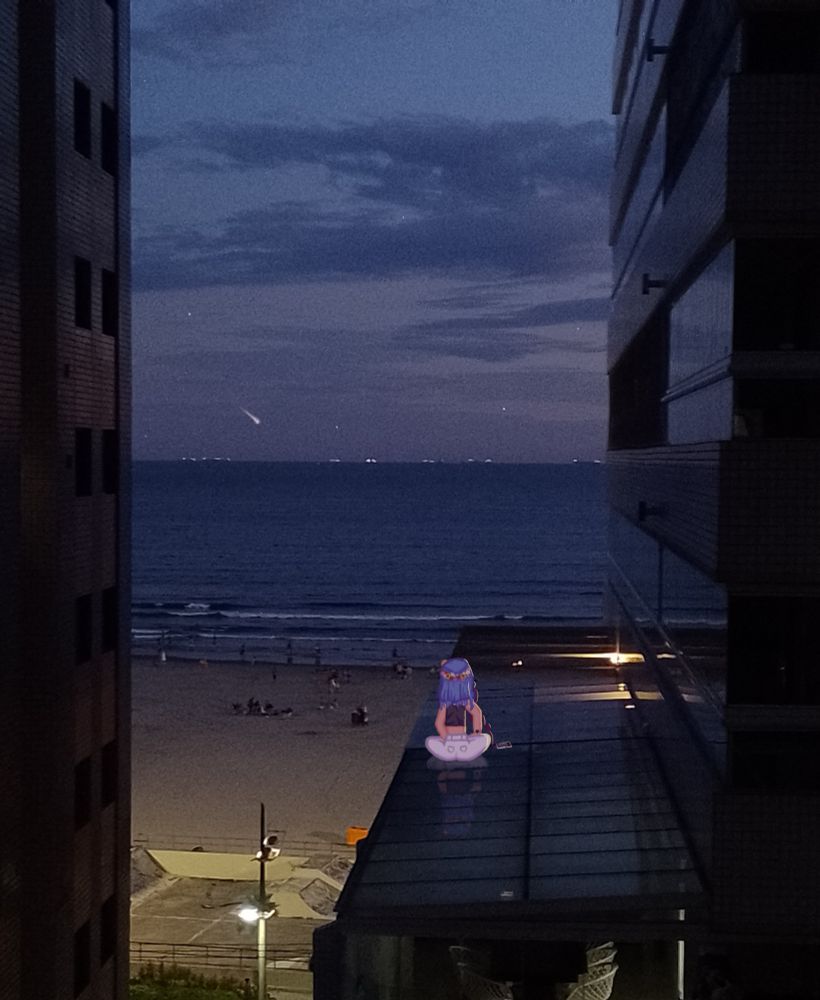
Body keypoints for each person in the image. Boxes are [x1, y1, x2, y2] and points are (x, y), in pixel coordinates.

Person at [425, 658, 492, 762]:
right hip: (450, 740)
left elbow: (477, 713)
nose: (455, 680)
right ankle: (454, 752)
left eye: (461, 676)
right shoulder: (446, 704)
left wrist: (476, 732)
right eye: (450, 677)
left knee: (485, 738)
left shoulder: (464, 702)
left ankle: (456, 752)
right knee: (430, 741)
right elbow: (439, 723)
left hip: (462, 738)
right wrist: (445, 737)